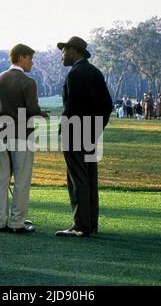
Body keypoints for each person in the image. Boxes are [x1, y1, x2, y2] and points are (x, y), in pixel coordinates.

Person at [0, 44, 48, 234]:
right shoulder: (28, 82)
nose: (32, 62)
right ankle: (17, 223)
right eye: (30, 58)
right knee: (21, 181)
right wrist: (40, 113)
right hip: (21, 136)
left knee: (1, 181)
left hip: (0, 135)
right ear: (21, 58)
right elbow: (31, 109)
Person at [55, 36, 113, 237]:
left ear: (74, 51)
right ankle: (90, 224)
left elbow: (72, 107)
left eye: (64, 50)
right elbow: (108, 104)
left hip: (74, 132)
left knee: (77, 178)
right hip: (90, 132)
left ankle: (80, 226)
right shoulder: (95, 72)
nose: (62, 54)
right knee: (89, 178)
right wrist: (97, 128)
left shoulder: (75, 74)